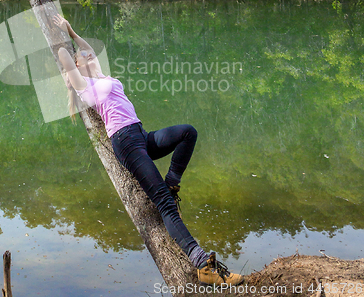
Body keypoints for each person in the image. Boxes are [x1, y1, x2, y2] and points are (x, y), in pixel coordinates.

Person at [53, 14, 243, 286]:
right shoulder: (85, 88)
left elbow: (89, 51)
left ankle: (172, 182)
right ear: (75, 69)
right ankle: (203, 265)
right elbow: (63, 55)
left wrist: (71, 31)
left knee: (188, 132)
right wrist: (60, 39)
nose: (86, 55)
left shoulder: (99, 75)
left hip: (140, 134)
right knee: (164, 203)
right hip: (125, 142)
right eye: (79, 58)